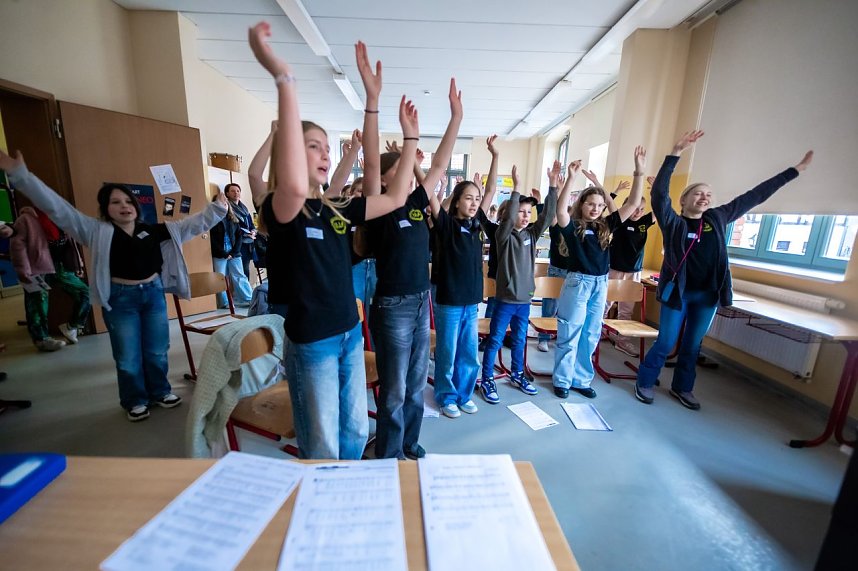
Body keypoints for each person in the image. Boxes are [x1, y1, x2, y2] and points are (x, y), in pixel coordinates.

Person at [249, 22, 419, 459]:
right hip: (314, 343)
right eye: (313, 146)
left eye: (327, 147)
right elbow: (286, 184)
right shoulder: (281, 208)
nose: (325, 154)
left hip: (347, 334)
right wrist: (285, 81)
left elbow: (395, 195)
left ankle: (347, 502)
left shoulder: (336, 210)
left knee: (355, 436)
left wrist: (375, 105)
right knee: (322, 445)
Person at [0, 150, 228, 421]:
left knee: (157, 350)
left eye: (127, 200)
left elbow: (194, 224)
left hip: (153, 294)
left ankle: (159, 391)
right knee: (128, 356)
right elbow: (57, 209)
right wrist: (21, 176)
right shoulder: (96, 231)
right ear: (105, 209)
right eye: (114, 201)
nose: (123, 205)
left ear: (136, 205)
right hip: (120, 299)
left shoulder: (156, 230)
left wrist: (218, 209)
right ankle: (134, 399)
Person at [635, 131, 813, 409]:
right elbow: (659, 194)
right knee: (666, 341)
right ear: (684, 200)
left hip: (707, 295)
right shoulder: (673, 222)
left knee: (693, 346)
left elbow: (755, 196)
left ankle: (683, 388)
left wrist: (794, 171)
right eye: (697, 193)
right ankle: (645, 381)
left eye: (708, 194)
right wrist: (676, 153)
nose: (704, 197)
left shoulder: (718, 218)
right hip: (678, 295)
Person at [365, 76, 461, 460]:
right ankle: (388, 453)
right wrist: (408, 141)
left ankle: (408, 441)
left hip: (422, 301)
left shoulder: (418, 204)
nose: (408, 175)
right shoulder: (378, 208)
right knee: (393, 388)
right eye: (399, 171)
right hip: (393, 307)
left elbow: (439, 164)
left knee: (416, 382)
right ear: (389, 178)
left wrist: (456, 117)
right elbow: (373, 165)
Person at [552, 146, 646, 399]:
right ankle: (562, 380)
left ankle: (581, 379)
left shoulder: (607, 225)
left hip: (600, 284)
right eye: (590, 204)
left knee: (591, 334)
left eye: (600, 205)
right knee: (570, 331)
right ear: (582, 204)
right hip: (578, 283)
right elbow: (561, 211)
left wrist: (639, 172)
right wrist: (570, 180)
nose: (595, 208)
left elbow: (635, 202)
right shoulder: (573, 226)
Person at [480, 162, 558, 404]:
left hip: (524, 301)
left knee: (520, 340)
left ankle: (517, 373)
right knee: (494, 340)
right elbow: (508, 218)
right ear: (509, 214)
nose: (525, 216)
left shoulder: (532, 236)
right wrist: (517, 188)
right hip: (505, 300)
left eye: (527, 213)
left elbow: (546, 217)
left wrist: (553, 186)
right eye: (520, 212)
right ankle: (487, 379)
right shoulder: (502, 236)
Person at [430, 173, 485, 418]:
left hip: (471, 303)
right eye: (468, 198)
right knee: (447, 352)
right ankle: (446, 396)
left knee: (469, 353)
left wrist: (494, 157)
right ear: (456, 201)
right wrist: (422, 170)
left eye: (477, 199)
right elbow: (430, 198)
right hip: (449, 302)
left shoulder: (475, 227)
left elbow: (490, 191)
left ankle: (464, 394)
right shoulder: (446, 225)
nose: (474, 203)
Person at [9, 206, 91, 351]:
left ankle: (72, 326)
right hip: (37, 267)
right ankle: (41, 339)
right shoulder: (26, 220)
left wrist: (78, 265)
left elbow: (71, 244)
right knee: (38, 302)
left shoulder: (61, 216)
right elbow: (17, 246)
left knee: (86, 293)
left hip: (60, 266)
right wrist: (23, 270)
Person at [536, 162, 578, 353]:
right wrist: (556, 188)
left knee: (566, 308)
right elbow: (553, 212)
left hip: (572, 272)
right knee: (550, 305)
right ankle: (543, 336)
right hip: (556, 269)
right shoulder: (555, 225)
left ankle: (559, 336)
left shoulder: (576, 227)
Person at [210, 194, 253, 308]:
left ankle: (248, 299)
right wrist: (224, 254)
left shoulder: (233, 219)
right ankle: (225, 303)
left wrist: (234, 252)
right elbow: (212, 241)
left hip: (234, 253)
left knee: (239, 275)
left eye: (225, 204)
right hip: (220, 254)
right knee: (221, 277)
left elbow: (239, 237)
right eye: (221, 204)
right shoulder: (212, 220)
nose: (224, 206)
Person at [223, 183, 258, 281]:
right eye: (233, 191)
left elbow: (251, 225)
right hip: (237, 243)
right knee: (241, 270)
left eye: (238, 191)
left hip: (249, 243)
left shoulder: (244, 208)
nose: (236, 193)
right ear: (227, 194)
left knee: (246, 268)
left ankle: (247, 292)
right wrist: (245, 233)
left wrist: (253, 231)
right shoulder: (227, 208)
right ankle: (243, 294)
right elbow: (230, 227)